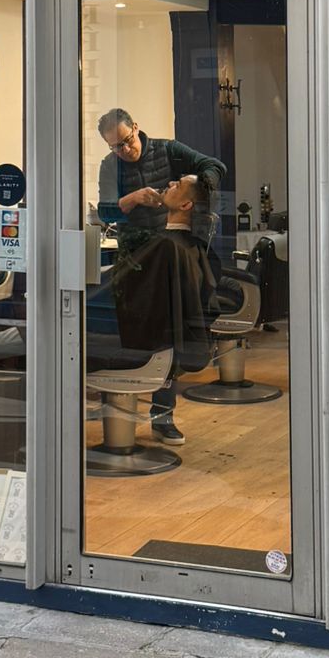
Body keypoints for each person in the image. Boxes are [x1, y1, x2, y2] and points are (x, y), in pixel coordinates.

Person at [96, 109, 225, 442]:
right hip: (138, 257)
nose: (125, 150)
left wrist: (199, 191)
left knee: (168, 327)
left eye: (127, 141)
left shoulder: (168, 150)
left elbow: (213, 166)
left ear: (136, 128)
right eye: (116, 147)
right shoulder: (110, 167)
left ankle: (162, 416)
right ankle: (117, 410)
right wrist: (132, 199)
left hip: (169, 253)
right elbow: (106, 211)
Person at [110, 174, 220, 443]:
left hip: (138, 339)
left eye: (178, 185)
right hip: (166, 342)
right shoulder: (184, 244)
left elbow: (127, 291)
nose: (170, 184)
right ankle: (163, 418)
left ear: (185, 205)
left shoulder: (168, 246)